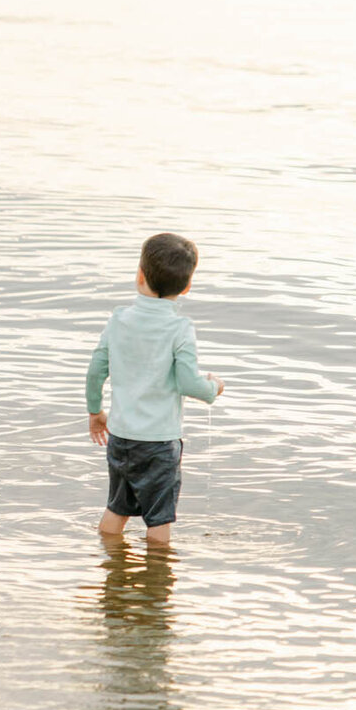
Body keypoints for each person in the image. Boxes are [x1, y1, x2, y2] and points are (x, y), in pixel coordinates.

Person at [86, 231, 224, 545]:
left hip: (120, 437)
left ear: (139, 276)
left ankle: (109, 567)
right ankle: (157, 584)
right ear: (187, 287)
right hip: (159, 443)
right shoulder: (180, 329)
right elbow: (189, 383)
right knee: (159, 519)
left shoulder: (118, 320)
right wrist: (214, 388)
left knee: (117, 508)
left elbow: (95, 371)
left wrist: (96, 412)